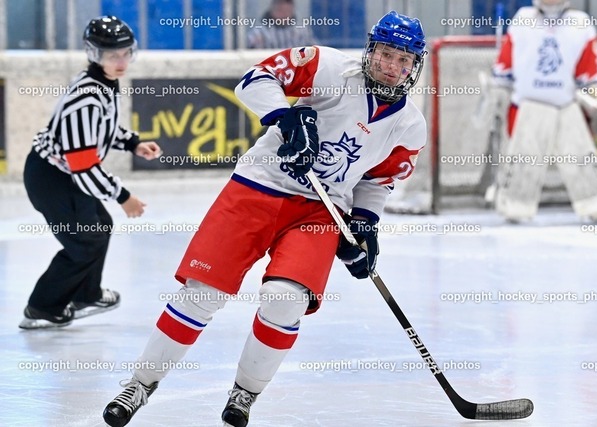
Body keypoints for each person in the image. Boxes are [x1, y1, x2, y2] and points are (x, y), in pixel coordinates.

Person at [103, 10, 427, 427]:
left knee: (285, 300)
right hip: (257, 186)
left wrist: (364, 224)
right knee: (201, 294)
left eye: (404, 60)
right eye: (386, 53)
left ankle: (244, 393)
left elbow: (379, 180)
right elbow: (255, 79)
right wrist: (285, 117)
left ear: (414, 66)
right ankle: (140, 385)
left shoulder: (410, 126)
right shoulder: (326, 66)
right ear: (371, 50)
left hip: (319, 208)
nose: (393, 66)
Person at [19, 16, 162, 330]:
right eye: (113, 55)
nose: (121, 61)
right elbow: (83, 167)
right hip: (52, 178)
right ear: (95, 54)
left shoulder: (102, 83)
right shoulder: (86, 98)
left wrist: (133, 143)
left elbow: (102, 130)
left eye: (126, 53)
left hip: (64, 172)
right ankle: (42, 307)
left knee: (99, 228)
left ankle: (87, 294)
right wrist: (124, 197)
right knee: (84, 241)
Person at [491, 0, 597, 222]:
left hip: (566, 106)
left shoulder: (580, 23)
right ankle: (515, 204)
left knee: (587, 178)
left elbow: (589, 76)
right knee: (517, 198)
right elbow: (504, 70)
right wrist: (495, 97)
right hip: (529, 107)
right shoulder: (523, 20)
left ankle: (594, 202)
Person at [247, 0, 316, 49]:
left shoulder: (303, 31)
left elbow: (316, 50)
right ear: (272, 8)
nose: (284, 15)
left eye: (287, 11)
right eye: (280, 10)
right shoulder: (259, 33)